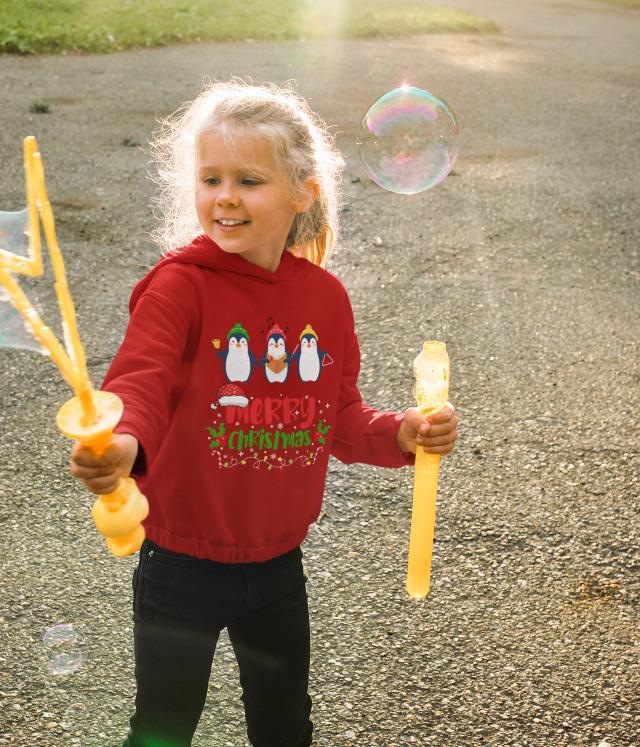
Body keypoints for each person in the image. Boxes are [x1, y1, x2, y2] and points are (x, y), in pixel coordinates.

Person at [69, 80, 460, 747]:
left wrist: (399, 432)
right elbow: (142, 379)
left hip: (279, 565)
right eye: (211, 177)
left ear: (302, 191)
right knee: (163, 724)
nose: (224, 196)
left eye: (249, 180)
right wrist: (124, 443)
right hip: (180, 564)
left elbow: (337, 416)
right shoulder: (178, 287)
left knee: (284, 724)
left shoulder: (325, 299)